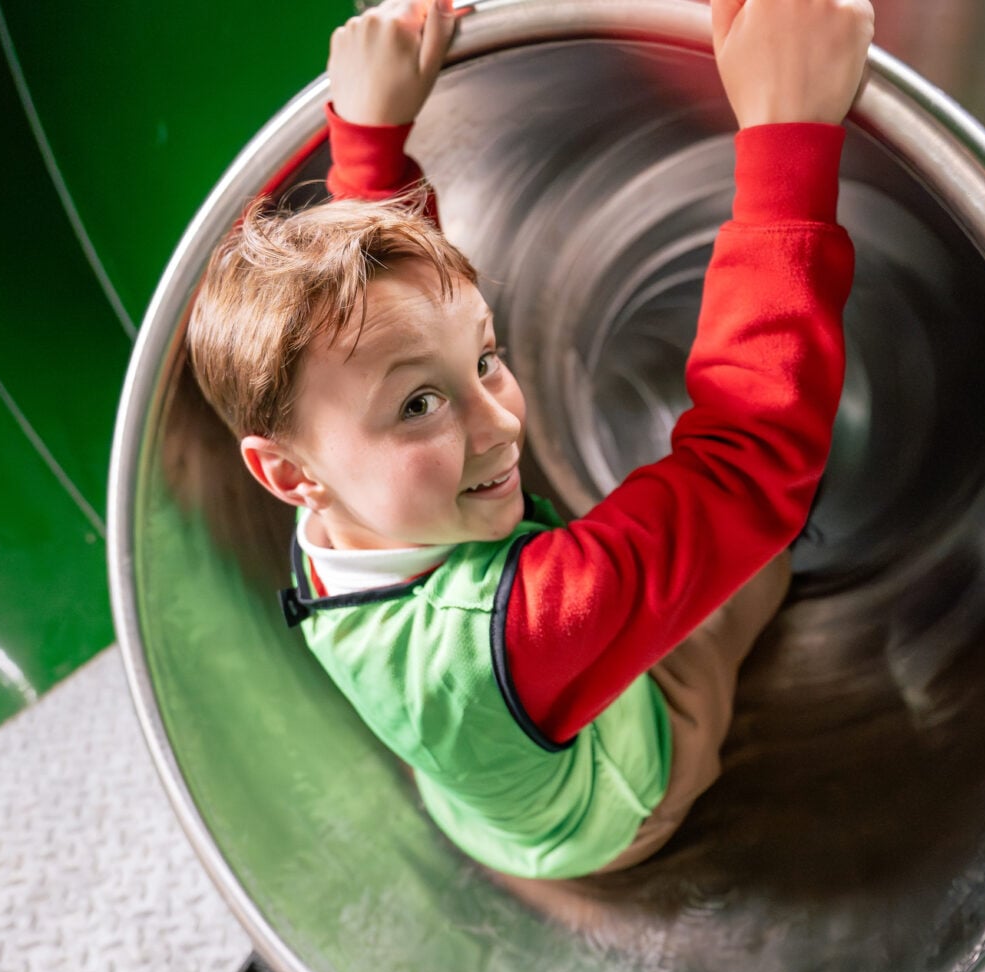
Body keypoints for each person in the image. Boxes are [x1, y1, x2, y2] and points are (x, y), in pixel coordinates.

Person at [186, 0, 873, 880]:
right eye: (421, 407)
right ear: (285, 473)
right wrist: (787, 139)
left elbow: (370, 340)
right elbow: (747, 471)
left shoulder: (331, 504)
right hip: (616, 804)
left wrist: (366, 136)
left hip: (488, 790)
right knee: (750, 575)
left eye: (486, 356)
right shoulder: (513, 632)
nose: (503, 421)